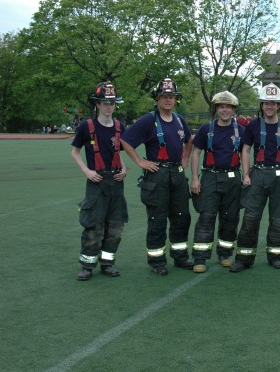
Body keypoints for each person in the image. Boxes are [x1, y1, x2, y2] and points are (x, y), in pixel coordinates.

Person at [120, 77, 193, 276]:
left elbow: (189, 141)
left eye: (172, 96)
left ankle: (180, 257)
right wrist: (140, 162)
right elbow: (125, 140)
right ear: (157, 98)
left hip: (177, 175)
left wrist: (185, 160)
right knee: (157, 219)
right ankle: (157, 260)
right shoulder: (148, 120)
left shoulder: (179, 120)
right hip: (157, 175)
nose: (168, 100)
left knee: (181, 217)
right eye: (164, 96)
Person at [230, 83, 280, 272]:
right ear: (261, 105)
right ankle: (244, 258)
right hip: (258, 175)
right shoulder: (253, 125)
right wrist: (246, 174)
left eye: (273, 103)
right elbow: (245, 150)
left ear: (279, 106)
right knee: (251, 218)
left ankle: (275, 256)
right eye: (266, 103)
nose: (269, 107)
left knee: (278, 219)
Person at [71, 82, 128, 281]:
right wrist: (86, 171)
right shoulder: (87, 127)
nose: (108, 106)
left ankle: (107, 263)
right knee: (94, 226)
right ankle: (87, 265)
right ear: (97, 104)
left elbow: (122, 152)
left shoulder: (121, 127)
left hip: (116, 182)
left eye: (112, 102)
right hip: (96, 182)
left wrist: (124, 167)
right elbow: (75, 152)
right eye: (104, 102)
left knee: (115, 227)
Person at [190, 91, 245, 273]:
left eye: (228, 107)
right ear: (216, 109)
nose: (225, 110)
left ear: (234, 110)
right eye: (221, 107)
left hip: (232, 178)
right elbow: (196, 152)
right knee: (207, 217)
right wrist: (196, 178)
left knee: (230, 218)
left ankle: (225, 254)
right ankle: (200, 257)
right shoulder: (207, 129)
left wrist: (247, 175)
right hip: (210, 178)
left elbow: (246, 154)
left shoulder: (241, 131)